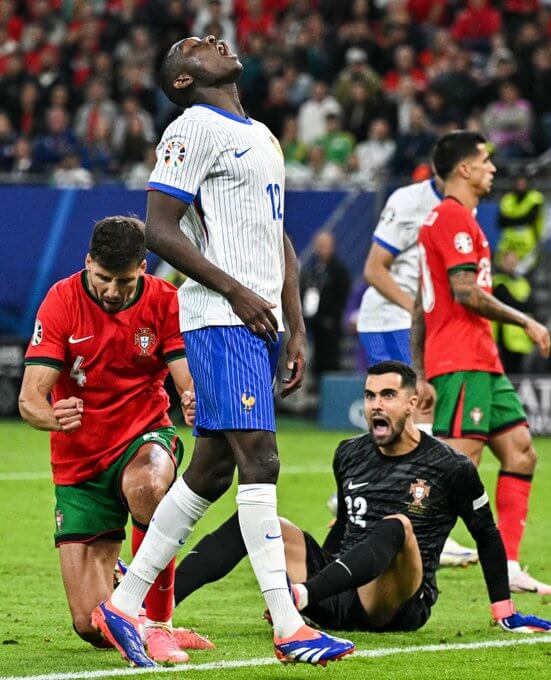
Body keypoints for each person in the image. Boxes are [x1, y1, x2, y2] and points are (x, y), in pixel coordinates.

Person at [91, 35, 355, 668]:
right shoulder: (192, 127)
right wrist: (236, 292)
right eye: (194, 45)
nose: (213, 39)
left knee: (210, 471)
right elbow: (157, 227)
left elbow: (279, 237)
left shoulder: (261, 134)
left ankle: (125, 605)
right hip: (218, 320)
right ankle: (290, 626)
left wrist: (294, 324)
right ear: (183, 79)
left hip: (255, 323)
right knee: (260, 462)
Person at [172, 362, 551, 637]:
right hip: (338, 589)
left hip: (395, 602)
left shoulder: (450, 466)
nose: (377, 404)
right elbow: (343, 526)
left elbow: (486, 535)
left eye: (388, 395)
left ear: (411, 405)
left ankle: (299, 597)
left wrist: (504, 611)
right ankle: (159, 603)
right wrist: (320, 589)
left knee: (397, 525)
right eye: (371, 395)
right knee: (257, 520)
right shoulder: (349, 452)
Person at [18, 216, 212, 663]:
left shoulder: (165, 301)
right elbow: (30, 400)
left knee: (147, 487)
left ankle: (160, 625)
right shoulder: (62, 301)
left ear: (143, 268)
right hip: (80, 461)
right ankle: (134, 593)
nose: (111, 290)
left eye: (123, 280)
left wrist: (192, 396)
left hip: (143, 435)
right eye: (102, 278)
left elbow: (185, 377)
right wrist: (52, 416)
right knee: (92, 626)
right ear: (88, 262)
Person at [412, 130, 551, 595]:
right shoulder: (454, 219)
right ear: (464, 169)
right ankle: (404, 565)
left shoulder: (458, 220)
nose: (493, 168)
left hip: (481, 360)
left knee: (521, 452)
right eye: (486, 160)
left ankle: (510, 565)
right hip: (461, 359)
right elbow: (465, 293)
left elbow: (421, 303)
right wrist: (526, 321)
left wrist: (418, 368)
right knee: (457, 468)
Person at [356, 166, 476, 567]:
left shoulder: (461, 211)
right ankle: (411, 521)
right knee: (413, 412)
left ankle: (373, 505)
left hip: (418, 323)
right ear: (459, 167)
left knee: (419, 417)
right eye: (481, 162)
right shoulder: (409, 201)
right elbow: (374, 269)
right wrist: (419, 313)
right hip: (391, 320)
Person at [300, 230, 351, 386]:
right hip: (315, 325)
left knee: (330, 362)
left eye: (325, 246)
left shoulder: (339, 271)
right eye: (319, 246)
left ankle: (331, 396)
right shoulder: (314, 270)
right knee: (316, 362)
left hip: (330, 326)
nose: (322, 250)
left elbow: (341, 295)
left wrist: (331, 317)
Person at [496, 172, 545, 276]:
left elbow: (530, 218)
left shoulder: (535, 198)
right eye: (518, 183)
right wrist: (521, 219)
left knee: (526, 280)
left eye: (523, 183)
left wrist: (511, 219)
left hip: (528, 247)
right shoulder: (507, 199)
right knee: (502, 278)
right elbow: (500, 222)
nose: (520, 185)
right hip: (508, 246)